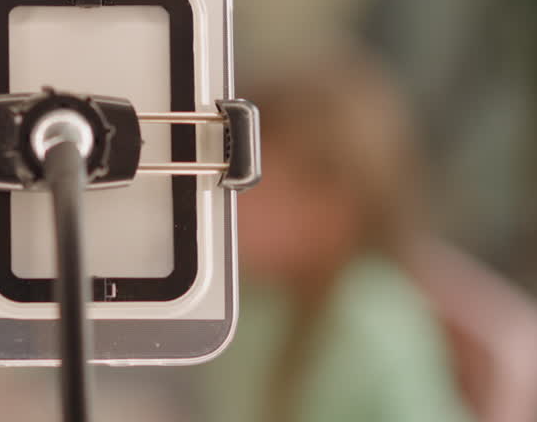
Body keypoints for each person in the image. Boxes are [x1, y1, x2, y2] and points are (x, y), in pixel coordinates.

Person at [202, 47, 475, 422]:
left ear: (332, 213)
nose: (231, 202)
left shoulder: (374, 328)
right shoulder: (254, 296)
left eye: (256, 189)